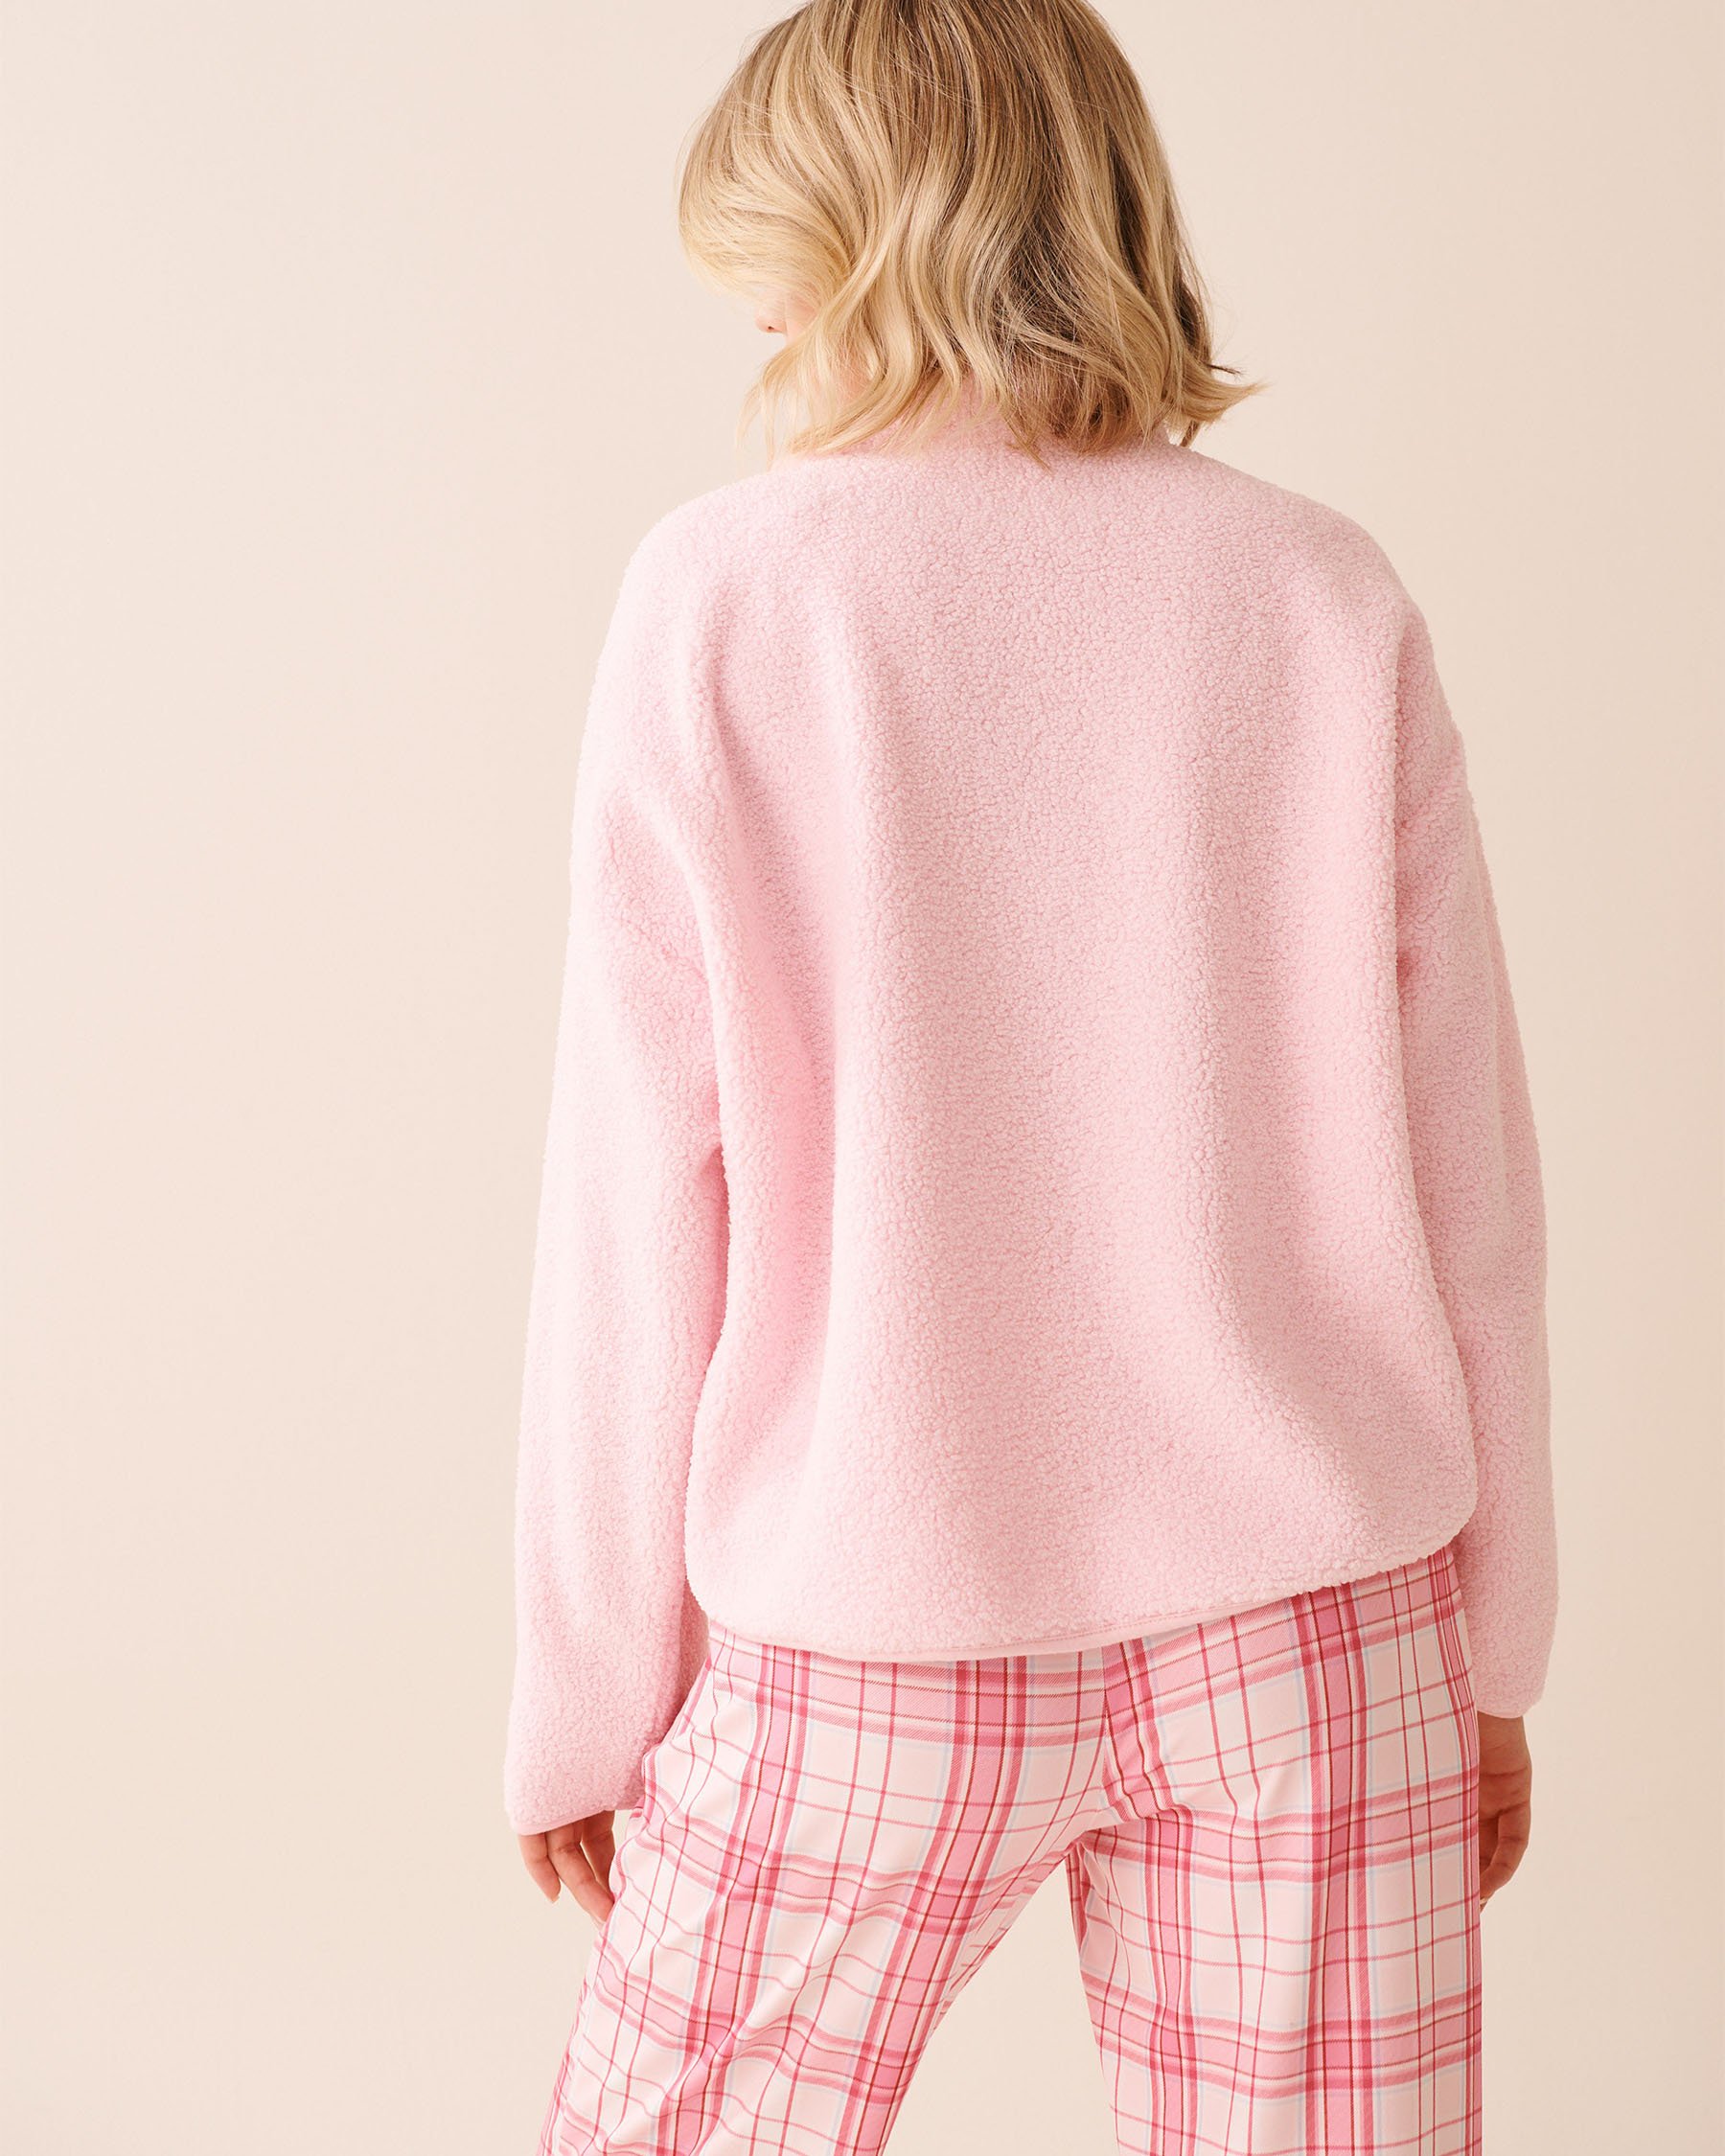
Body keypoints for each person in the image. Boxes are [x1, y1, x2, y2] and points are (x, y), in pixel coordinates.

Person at [504, 1, 1558, 2147]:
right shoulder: (1320, 594)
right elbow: (1477, 1191)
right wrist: (1494, 1647)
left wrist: (589, 1695)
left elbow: (634, 1197)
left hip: (873, 1627)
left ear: (853, 242)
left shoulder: (724, 598)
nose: (758, 319)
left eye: (772, 260)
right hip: (1317, 1632)